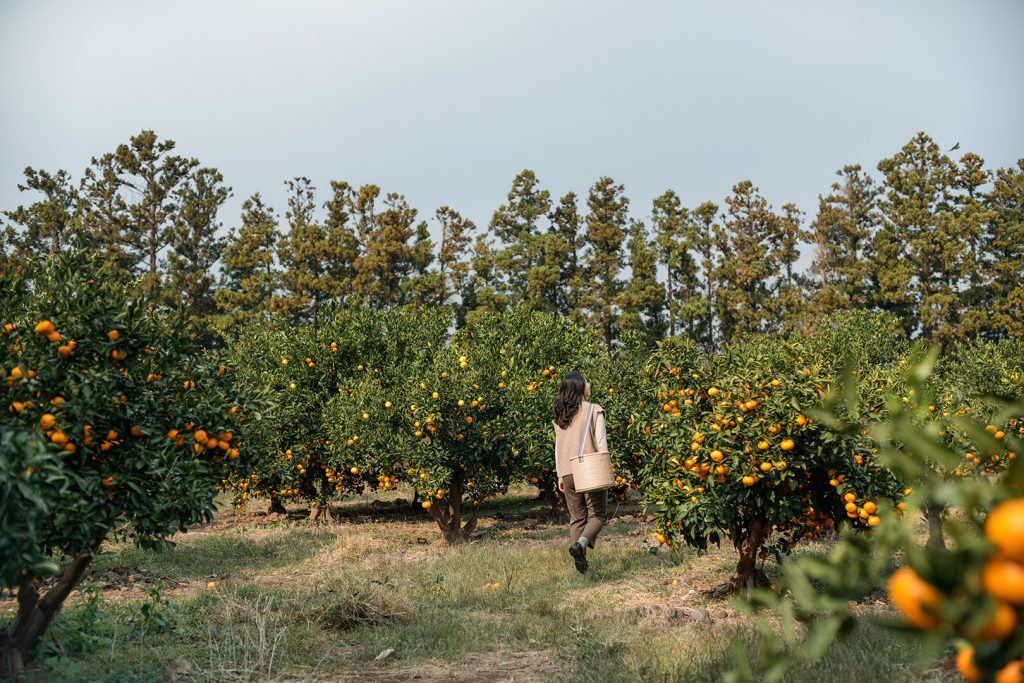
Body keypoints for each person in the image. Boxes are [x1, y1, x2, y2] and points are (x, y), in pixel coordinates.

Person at [552, 371, 609, 574]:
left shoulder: (561, 416)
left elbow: (558, 447)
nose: (589, 384)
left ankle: (581, 566)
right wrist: (606, 469)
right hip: (590, 469)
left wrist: (560, 475)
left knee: (577, 518)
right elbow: (602, 444)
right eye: (587, 381)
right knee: (598, 515)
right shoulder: (594, 410)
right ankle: (581, 544)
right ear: (580, 387)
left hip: (567, 471)